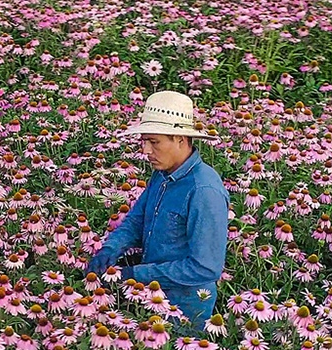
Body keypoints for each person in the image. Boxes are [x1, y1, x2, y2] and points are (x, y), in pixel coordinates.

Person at [86, 90, 230, 332]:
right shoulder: (162, 175)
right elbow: (137, 219)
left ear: (180, 140)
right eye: (144, 141)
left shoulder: (203, 190)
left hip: (184, 311)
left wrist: (135, 273)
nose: (145, 151)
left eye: (154, 142)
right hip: (150, 298)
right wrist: (111, 248)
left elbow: (205, 267)